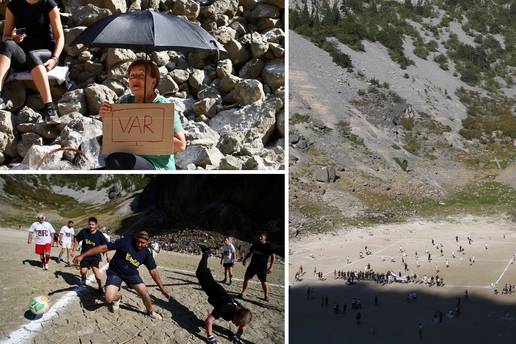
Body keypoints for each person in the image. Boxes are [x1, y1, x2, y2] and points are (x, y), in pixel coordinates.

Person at [99, 59, 186, 170]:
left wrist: (148, 134)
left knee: (117, 160)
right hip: (128, 157)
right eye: (132, 76)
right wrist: (106, 116)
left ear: (153, 82)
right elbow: (114, 137)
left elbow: (181, 145)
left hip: (156, 166)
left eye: (141, 76)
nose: (135, 79)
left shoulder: (164, 107)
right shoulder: (124, 102)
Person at [73, 230, 169, 320]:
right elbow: (103, 248)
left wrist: (162, 287)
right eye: (138, 241)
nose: (139, 244)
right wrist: (82, 255)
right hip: (115, 272)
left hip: (131, 274)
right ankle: (117, 298)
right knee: (108, 298)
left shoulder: (146, 254)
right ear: (135, 238)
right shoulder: (125, 242)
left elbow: (153, 271)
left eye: (143, 243)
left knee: (145, 293)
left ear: (147, 243)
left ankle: (150, 311)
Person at [0, 0, 63, 122]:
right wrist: (14, 38)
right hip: (23, 57)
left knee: (33, 56)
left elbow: (59, 36)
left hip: (46, 55)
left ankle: (50, 109)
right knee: (7, 45)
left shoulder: (48, 4)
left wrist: (55, 59)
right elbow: (5, 36)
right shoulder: (13, 6)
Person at [197, 245, 252, 344]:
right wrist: (210, 338)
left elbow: (243, 325)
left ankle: (207, 269)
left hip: (219, 291)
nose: (236, 325)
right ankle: (206, 253)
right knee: (200, 273)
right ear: (235, 316)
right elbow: (209, 321)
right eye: (236, 323)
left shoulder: (241, 313)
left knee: (206, 275)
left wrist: (238, 335)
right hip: (212, 289)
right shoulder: (224, 307)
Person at [73, 217, 107, 292]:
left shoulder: (100, 235)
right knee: (83, 271)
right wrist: (73, 251)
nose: (91, 226)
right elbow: (77, 240)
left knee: (96, 272)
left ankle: (100, 287)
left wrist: (106, 255)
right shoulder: (84, 232)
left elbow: (105, 246)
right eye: (90, 224)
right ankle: (83, 277)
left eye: (93, 224)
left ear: (96, 225)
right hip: (84, 255)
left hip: (95, 257)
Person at [239, 232, 276, 301]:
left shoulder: (268, 245)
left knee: (263, 281)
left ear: (265, 237)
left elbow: (273, 256)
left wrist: (271, 267)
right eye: (259, 236)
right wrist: (244, 259)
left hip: (262, 267)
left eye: (261, 236)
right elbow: (250, 252)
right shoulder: (255, 244)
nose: (259, 238)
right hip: (252, 265)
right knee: (246, 278)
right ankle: (243, 292)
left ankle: (266, 296)